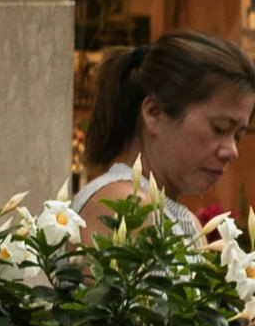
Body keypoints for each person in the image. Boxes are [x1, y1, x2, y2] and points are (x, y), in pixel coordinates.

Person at [75, 29, 255, 229]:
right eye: (219, 129)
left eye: (238, 136)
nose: (232, 151)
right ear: (154, 112)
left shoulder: (190, 224)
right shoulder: (126, 205)